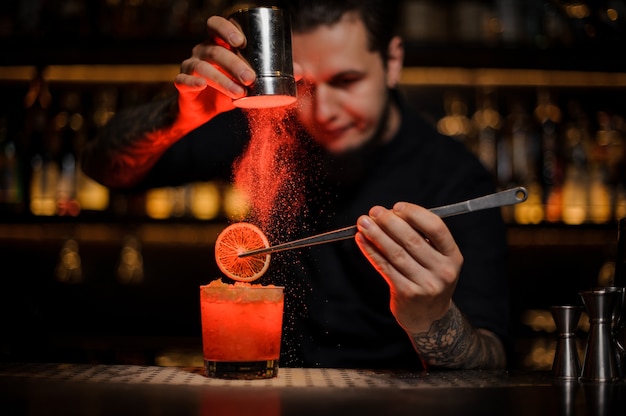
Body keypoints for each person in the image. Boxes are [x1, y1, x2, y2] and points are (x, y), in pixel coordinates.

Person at [81, 0, 510, 370]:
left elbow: (492, 363)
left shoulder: (454, 175)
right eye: (303, 86)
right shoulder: (266, 124)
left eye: (346, 81)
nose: (324, 110)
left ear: (392, 60)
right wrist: (177, 117)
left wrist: (434, 318)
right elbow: (105, 168)